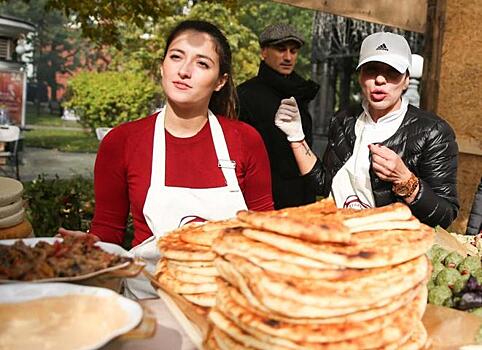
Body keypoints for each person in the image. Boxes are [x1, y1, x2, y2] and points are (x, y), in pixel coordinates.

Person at [60, 20, 273, 298]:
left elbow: (265, 229)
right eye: (176, 57)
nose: (184, 71)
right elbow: (109, 231)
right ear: (162, 66)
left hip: (228, 302)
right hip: (149, 299)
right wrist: (91, 245)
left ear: (220, 81)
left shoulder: (246, 140)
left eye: (202, 64)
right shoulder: (122, 142)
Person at [274, 31, 459, 228]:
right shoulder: (343, 119)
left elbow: (445, 215)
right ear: (360, 76)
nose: (380, 79)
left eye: (392, 71)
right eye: (371, 70)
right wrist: (296, 136)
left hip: (386, 249)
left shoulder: (434, 132)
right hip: (337, 237)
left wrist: (406, 179)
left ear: (406, 80)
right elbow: (324, 184)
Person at [237, 23, 319, 210]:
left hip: (303, 197)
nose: (288, 57)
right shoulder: (245, 95)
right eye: (281, 49)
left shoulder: (300, 92)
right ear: (263, 52)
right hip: (264, 200)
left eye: (294, 51)